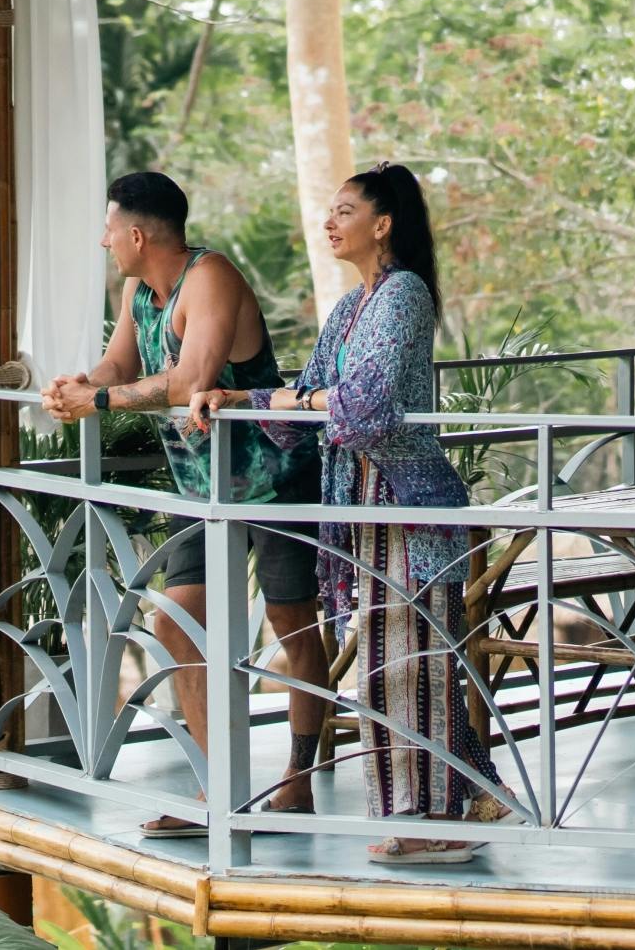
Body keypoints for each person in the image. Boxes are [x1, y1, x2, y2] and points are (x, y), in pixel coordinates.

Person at [190, 163, 501, 865]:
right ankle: (473, 800)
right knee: (398, 664)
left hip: (409, 507)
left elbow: (365, 406)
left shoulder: (403, 294)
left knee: (408, 667)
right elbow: (305, 396)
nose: (329, 222)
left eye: (345, 210)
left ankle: (436, 820)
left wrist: (301, 401)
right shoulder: (353, 305)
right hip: (366, 507)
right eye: (330, 211)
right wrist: (239, 399)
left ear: (382, 224)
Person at [42, 171, 328, 834]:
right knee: (175, 622)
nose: (104, 241)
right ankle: (217, 787)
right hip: (200, 484)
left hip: (274, 476)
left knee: (292, 625)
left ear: (137, 235)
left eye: (109, 230)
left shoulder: (210, 277)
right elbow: (119, 366)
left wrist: (99, 400)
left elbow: (191, 379)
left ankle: (298, 778)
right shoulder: (137, 291)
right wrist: (78, 386)